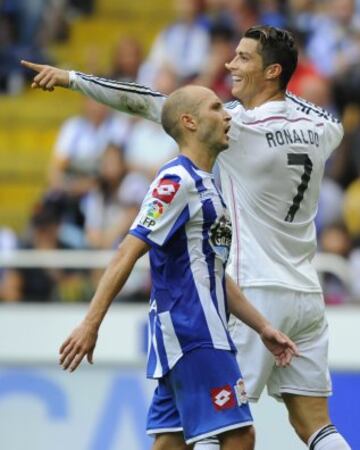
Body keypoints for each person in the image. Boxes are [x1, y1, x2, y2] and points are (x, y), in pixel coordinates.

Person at [21, 24, 351, 450]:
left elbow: (152, 103)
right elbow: (332, 121)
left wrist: (73, 78)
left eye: (244, 58)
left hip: (247, 287)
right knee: (313, 425)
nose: (230, 65)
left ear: (271, 71)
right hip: (305, 292)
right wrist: (285, 90)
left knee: (223, 429)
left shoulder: (239, 130)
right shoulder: (320, 129)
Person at [56, 85, 297, 450]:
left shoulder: (206, 184)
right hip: (193, 329)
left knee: (172, 442)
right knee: (239, 435)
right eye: (216, 108)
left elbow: (212, 271)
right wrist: (91, 324)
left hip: (194, 329)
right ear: (190, 122)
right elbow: (126, 251)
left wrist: (262, 326)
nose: (228, 114)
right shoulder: (176, 182)